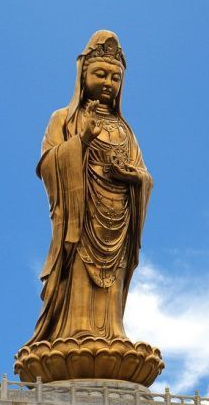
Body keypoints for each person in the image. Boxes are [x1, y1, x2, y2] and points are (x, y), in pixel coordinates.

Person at [19, 30, 152, 354]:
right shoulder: (64, 119)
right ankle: (75, 331)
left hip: (118, 218)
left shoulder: (125, 130)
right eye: (100, 74)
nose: (108, 83)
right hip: (80, 218)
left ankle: (113, 332)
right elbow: (47, 163)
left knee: (113, 279)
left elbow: (144, 174)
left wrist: (133, 177)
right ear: (83, 75)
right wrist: (83, 141)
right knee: (79, 269)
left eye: (115, 78)